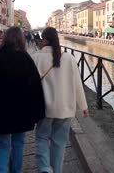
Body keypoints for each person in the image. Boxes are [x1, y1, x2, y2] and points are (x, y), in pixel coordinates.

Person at [0, 27, 45, 173]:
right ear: (21, 39)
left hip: (0, 112)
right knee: (18, 143)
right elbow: (35, 87)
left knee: (2, 145)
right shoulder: (25, 58)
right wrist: (37, 110)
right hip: (21, 112)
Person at [31, 27, 89, 173]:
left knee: (42, 138)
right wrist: (83, 105)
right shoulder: (69, 58)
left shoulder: (36, 57)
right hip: (65, 108)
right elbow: (77, 84)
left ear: (44, 40)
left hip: (44, 108)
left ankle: (45, 168)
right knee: (59, 143)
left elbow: (29, 84)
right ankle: (56, 171)